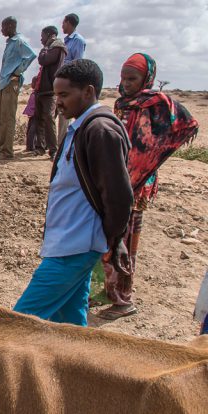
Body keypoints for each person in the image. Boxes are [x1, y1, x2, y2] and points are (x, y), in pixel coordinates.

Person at [13, 59, 134, 327]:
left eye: (64, 95)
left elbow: (119, 197)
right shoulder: (80, 126)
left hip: (76, 246)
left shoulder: (100, 131)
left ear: (88, 92)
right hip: (67, 240)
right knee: (70, 322)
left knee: (17, 323)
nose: (58, 102)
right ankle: (78, 366)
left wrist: (113, 240)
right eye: (56, 95)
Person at [98, 53, 199, 321]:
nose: (127, 83)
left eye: (133, 79)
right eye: (123, 78)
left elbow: (186, 124)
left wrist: (151, 160)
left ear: (147, 78)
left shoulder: (156, 104)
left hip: (136, 186)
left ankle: (123, 300)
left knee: (125, 243)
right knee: (106, 239)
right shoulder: (123, 103)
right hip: (116, 180)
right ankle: (106, 291)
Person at [0, 16, 36, 159]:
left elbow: (31, 55)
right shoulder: (10, 43)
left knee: (8, 118)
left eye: (3, 26)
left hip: (11, 83)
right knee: (0, 118)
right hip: (4, 83)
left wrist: (17, 72)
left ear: (11, 26)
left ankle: (7, 151)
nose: (2, 30)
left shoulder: (19, 41)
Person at [32, 26, 66, 158]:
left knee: (48, 118)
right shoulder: (53, 48)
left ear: (50, 35)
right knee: (39, 118)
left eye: (42, 36)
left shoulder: (57, 47)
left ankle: (53, 150)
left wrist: (44, 49)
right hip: (42, 90)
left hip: (49, 91)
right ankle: (40, 147)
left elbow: (43, 59)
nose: (41, 39)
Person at [58, 13, 86, 142]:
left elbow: (77, 62)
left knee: (66, 114)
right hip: (62, 81)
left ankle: (64, 144)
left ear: (69, 23)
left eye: (63, 23)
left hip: (70, 82)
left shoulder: (78, 40)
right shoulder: (66, 40)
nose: (62, 25)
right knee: (61, 114)